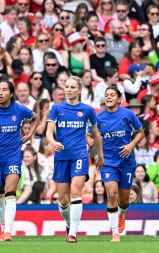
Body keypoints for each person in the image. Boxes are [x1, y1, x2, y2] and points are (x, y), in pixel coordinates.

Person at [46, 76, 104, 243]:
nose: (69, 89)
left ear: (79, 90)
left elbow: (96, 135)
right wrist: (52, 142)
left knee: (76, 192)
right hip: (61, 157)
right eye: (67, 86)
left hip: (80, 155)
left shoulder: (87, 110)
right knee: (63, 200)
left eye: (72, 87)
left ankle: (73, 233)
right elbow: (49, 131)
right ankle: (69, 223)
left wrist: (100, 155)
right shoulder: (56, 108)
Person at [0, 80, 39, 241]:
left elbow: (36, 117)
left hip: (13, 156)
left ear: (11, 93)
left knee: (10, 192)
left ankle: (8, 231)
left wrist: (29, 134)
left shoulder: (19, 110)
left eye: (4, 90)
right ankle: (3, 229)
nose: (0, 92)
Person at [91, 86, 145, 242]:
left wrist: (130, 145)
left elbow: (141, 133)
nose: (108, 97)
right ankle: (115, 233)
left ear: (119, 99)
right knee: (112, 194)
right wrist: (94, 151)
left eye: (112, 95)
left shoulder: (127, 114)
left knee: (124, 200)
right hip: (108, 162)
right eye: (106, 95)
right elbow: (90, 137)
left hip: (126, 162)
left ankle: (121, 215)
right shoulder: (99, 118)